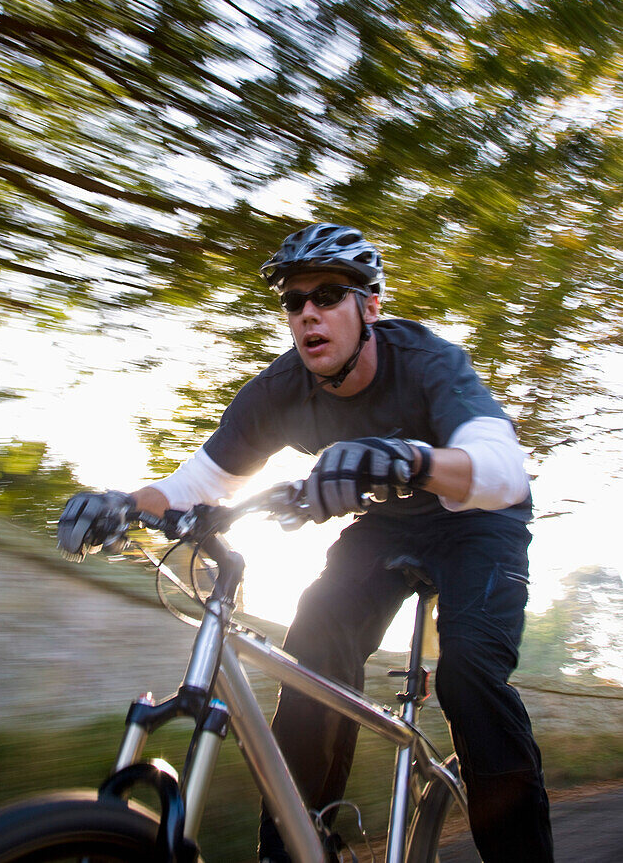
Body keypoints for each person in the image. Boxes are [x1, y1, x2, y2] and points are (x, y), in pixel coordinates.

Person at [58, 222, 554, 863]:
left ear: (370, 306)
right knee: (314, 637)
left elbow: (501, 467)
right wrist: (124, 503)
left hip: (478, 519)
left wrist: (405, 457)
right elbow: (196, 484)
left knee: (470, 679)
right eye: (295, 302)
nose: (309, 314)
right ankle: (298, 844)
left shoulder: (428, 361)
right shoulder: (279, 392)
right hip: (390, 523)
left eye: (328, 295)